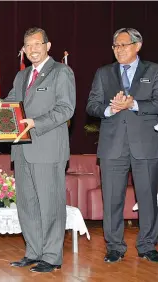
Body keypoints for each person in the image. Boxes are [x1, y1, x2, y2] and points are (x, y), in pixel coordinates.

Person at [0, 27, 76, 272]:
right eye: (27, 46)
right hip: (21, 149)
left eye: (37, 44)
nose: (32, 50)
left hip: (48, 149)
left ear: (47, 45)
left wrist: (37, 123)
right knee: (27, 204)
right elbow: (10, 106)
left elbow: (66, 109)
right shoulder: (21, 76)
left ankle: (52, 256)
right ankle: (33, 251)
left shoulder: (61, 72)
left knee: (50, 204)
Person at [86, 28, 158, 263]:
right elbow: (92, 106)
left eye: (124, 45)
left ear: (138, 46)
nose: (119, 49)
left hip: (145, 145)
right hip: (112, 145)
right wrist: (110, 109)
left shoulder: (154, 71)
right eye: (116, 45)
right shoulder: (104, 73)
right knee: (112, 199)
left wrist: (134, 103)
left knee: (147, 198)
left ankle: (147, 245)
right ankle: (115, 246)